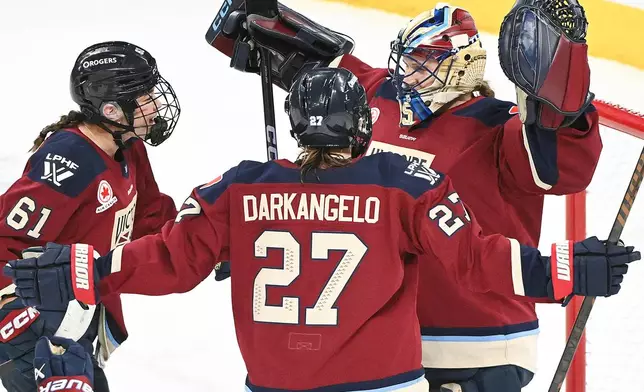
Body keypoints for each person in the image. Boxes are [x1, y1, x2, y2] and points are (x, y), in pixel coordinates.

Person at [4, 68, 638, 392]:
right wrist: (566, 268)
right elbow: (476, 260)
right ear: (362, 124)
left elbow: (167, 260)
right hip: (380, 386)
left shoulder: (240, 190)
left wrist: (76, 269)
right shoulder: (404, 185)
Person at [208, 1, 603, 390]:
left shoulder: (501, 129)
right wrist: (267, 20)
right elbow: (315, 66)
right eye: (407, 61)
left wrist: (563, 91)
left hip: (478, 344)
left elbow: (568, 161)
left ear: (460, 68)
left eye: (423, 63)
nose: (408, 75)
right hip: (383, 345)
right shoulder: (379, 96)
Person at [0, 41, 181, 392]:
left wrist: (211, 238)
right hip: (37, 335)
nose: (157, 105)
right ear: (112, 109)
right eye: (145, 97)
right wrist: (14, 315)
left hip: (78, 320)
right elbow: (6, 237)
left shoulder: (128, 145)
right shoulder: (69, 159)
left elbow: (150, 217)